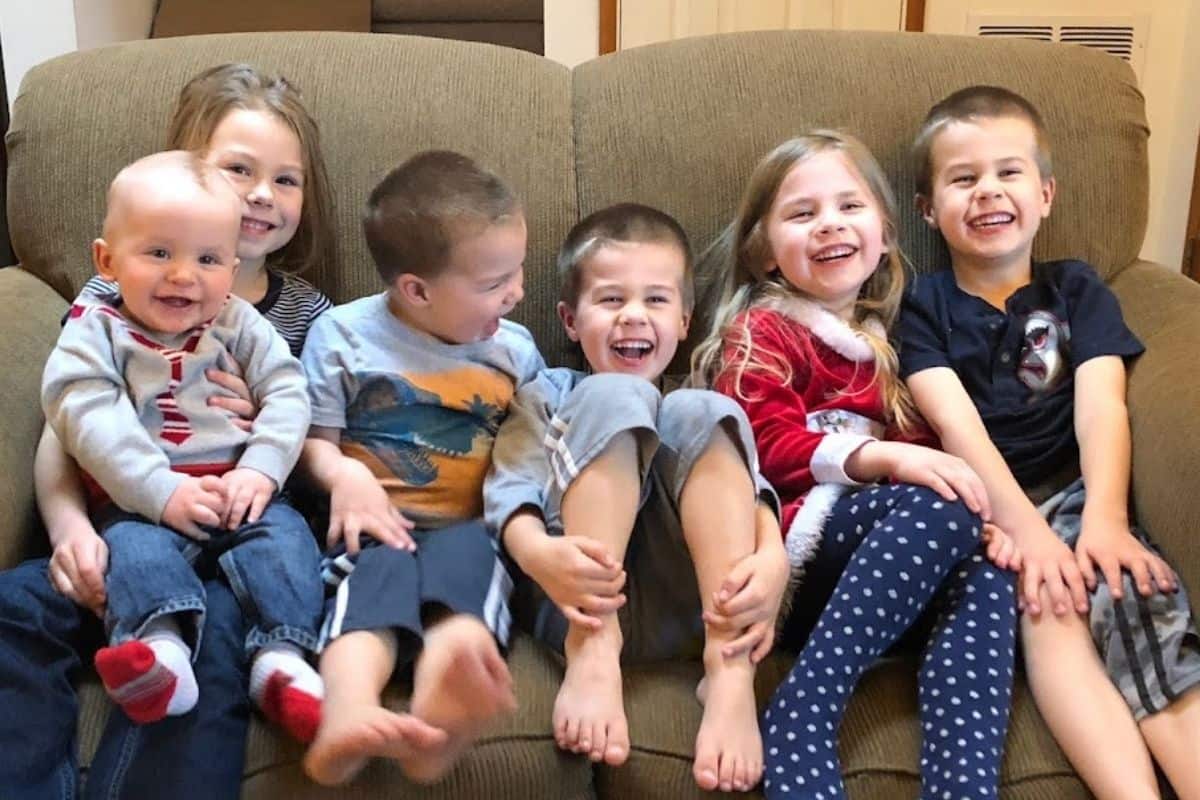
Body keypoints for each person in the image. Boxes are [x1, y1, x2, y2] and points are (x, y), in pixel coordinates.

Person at [0, 63, 336, 800]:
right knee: (13, 607)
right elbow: (72, 424)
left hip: (239, 535)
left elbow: (310, 425)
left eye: (286, 180)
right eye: (236, 169)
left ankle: (258, 663)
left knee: (214, 635)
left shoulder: (305, 314)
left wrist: (264, 450)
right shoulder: (110, 301)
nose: (258, 195)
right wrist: (67, 531)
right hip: (127, 527)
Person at [692, 131, 1020, 799]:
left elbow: (934, 465)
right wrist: (884, 458)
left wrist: (980, 525)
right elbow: (763, 444)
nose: (830, 225)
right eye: (802, 213)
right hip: (795, 554)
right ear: (763, 251)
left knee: (989, 569)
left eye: (850, 206)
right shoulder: (763, 331)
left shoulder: (896, 343)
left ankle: (965, 786)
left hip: (882, 577)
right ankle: (805, 707)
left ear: (884, 231)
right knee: (943, 502)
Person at [900, 85, 1200, 800]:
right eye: (962, 178)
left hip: (1078, 491)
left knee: (1133, 594)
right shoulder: (924, 305)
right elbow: (955, 426)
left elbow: (1103, 407)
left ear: (1046, 193)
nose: (988, 192)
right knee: (1048, 611)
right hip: (987, 508)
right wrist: (1027, 532)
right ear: (928, 209)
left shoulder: (1076, 290)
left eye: (1008, 173)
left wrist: (1104, 517)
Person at [485, 203, 787, 793]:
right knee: (614, 396)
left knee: (704, 409)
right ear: (570, 321)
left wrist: (773, 556)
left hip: (694, 608)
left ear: (683, 320)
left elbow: (757, 491)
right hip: (572, 597)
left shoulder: (697, 406)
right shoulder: (548, 394)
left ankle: (728, 672)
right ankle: (594, 650)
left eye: (654, 300)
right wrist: (534, 552)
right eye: (610, 300)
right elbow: (509, 483)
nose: (632, 317)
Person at [41, 149, 322, 738]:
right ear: (107, 260)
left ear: (233, 264)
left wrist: (263, 471)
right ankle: (161, 651)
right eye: (160, 253)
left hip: (245, 493)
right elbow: (84, 412)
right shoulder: (96, 330)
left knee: (288, 544)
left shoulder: (239, 321)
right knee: (135, 555)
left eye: (209, 259)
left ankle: (282, 661)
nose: (184, 275)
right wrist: (160, 491)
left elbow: (289, 391)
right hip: (142, 503)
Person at [299, 150, 543, 787]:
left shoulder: (515, 351)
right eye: (495, 283)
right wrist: (343, 476)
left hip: (470, 530)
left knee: (467, 585)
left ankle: (442, 710)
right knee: (365, 596)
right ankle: (348, 713)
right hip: (374, 526)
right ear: (416, 289)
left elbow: (533, 448)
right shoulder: (342, 335)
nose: (517, 293)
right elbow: (312, 440)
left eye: (519, 271)